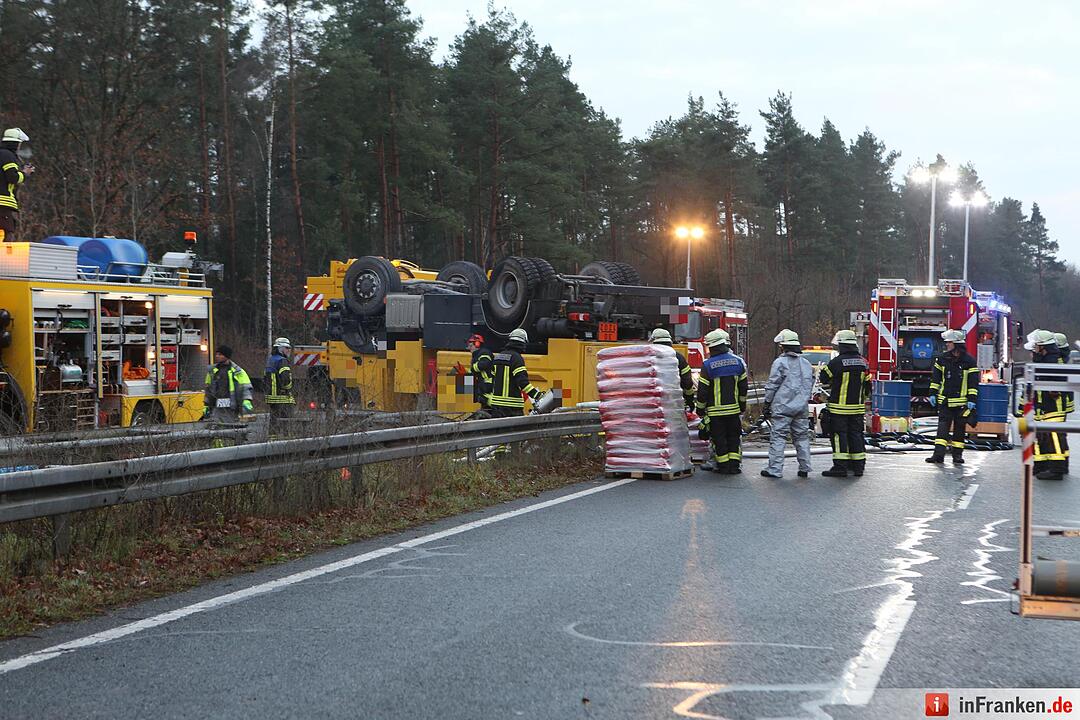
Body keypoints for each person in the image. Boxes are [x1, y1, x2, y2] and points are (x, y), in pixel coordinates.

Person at [760, 329, 814, 479]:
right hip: (801, 408)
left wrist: (767, 403)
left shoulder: (780, 363)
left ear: (783, 346)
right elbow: (811, 383)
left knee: (778, 438)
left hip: (783, 408)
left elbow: (772, 385)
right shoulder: (806, 364)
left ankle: (775, 469)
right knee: (802, 437)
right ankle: (805, 467)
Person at [696, 328, 748, 474]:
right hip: (734, 411)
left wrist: (700, 409)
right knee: (733, 439)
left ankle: (723, 467)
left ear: (711, 347)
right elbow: (743, 388)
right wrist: (742, 405)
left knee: (719, 440)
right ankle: (734, 466)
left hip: (715, 413)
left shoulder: (708, 365)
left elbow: (702, 392)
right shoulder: (738, 363)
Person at [819, 329, 871, 477]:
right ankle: (858, 467)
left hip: (839, 408)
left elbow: (824, 378)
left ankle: (840, 467)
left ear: (842, 345)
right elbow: (868, 386)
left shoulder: (836, 362)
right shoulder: (863, 362)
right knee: (856, 435)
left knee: (839, 435)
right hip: (857, 408)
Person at [925, 329, 979, 465]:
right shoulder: (942, 359)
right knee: (942, 430)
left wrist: (972, 399)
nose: (947, 345)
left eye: (949, 342)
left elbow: (973, 383)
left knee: (959, 431)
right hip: (945, 402)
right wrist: (932, 394)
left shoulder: (969, 361)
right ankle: (938, 455)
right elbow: (935, 379)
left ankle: (957, 456)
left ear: (956, 343)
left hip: (962, 403)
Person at [1025, 329, 1068, 479]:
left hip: (1053, 406)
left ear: (1043, 347)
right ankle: (1043, 466)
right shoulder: (1044, 360)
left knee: (1054, 436)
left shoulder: (1053, 361)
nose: (1034, 349)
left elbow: (1056, 385)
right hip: (1044, 405)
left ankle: (1057, 470)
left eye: (1036, 346)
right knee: (1043, 436)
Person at [486, 328, 542, 418]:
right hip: (512, 407)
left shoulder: (498, 356)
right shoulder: (516, 358)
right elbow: (523, 382)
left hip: (496, 405)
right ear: (523, 343)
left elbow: (490, 378)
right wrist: (537, 395)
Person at [204, 345, 254, 422]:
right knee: (217, 425)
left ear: (227, 356)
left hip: (232, 406)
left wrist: (246, 400)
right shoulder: (212, 371)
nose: (217, 356)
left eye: (220, 354)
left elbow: (245, 386)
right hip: (216, 405)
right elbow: (208, 389)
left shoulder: (237, 371)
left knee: (231, 425)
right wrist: (206, 404)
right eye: (216, 354)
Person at [649, 327, 695, 411]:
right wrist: (689, 400)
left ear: (654, 342)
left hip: (653, 403)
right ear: (669, 341)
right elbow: (687, 382)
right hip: (675, 403)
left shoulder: (649, 359)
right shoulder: (679, 357)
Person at [0, 128, 33, 242]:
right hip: (2, 204)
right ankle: (4, 258)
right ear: (16, 143)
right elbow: (13, 177)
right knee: (7, 232)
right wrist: (25, 174)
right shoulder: (7, 156)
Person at [1055, 332, 1074, 473]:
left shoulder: (1059, 361)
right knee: (1061, 434)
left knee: (1058, 433)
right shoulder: (1067, 358)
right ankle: (1064, 462)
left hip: (1060, 402)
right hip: (1065, 401)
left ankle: (1060, 465)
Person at [264, 337, 295, 424]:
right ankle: (286, 437)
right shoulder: (282, 360)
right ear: (280, 349)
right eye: (287, 348)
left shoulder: (271, 360)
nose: (289, 350)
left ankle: (273, 437)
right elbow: (285, 379)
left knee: (274, 421)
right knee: (286, 422)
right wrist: (288, 390)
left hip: (272, 397)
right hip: (282, 397)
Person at [467, 333, 494, 411]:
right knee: (482, 400)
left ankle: (498, 408)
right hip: (482, 382)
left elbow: (484, 364)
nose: (469, 348)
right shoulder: (477, 354)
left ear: (477, 344)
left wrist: (472, 369)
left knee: (484, 398)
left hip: (487, 382)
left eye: (471, 346)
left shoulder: (484, 352)